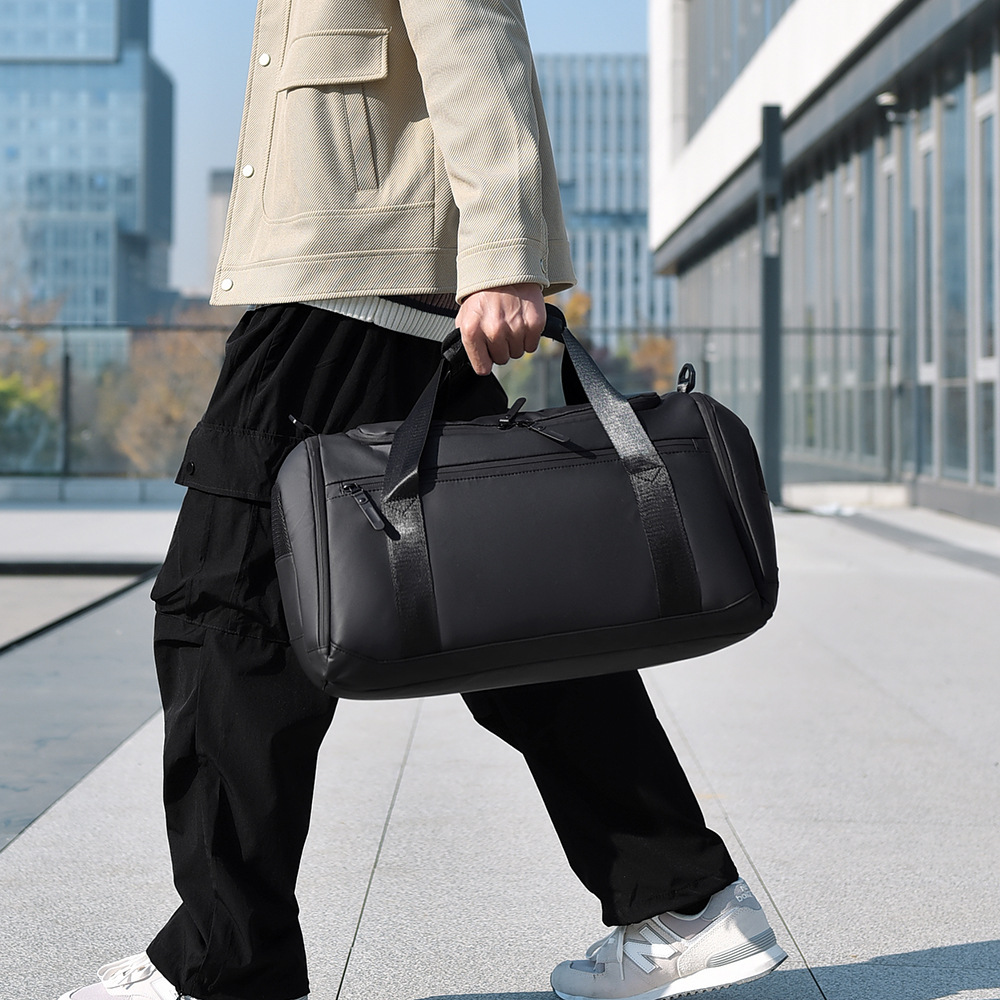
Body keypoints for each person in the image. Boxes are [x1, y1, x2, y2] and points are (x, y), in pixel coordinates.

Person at [59, 2, 786, 999]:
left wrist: (505, 254)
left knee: (220, 612)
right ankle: (683, 899)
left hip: (346, 293)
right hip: (361, 286)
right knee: (504, 609)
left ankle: (225, 966)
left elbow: (475, 29)